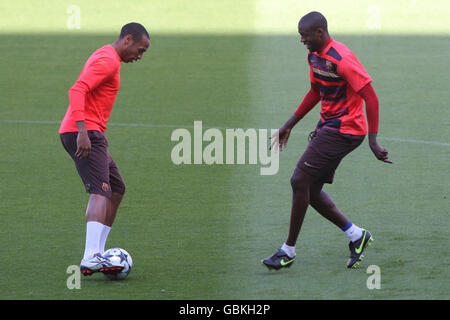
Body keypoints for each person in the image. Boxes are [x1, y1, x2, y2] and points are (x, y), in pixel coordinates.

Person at [262, 12, 392, 270]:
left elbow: (371, 96)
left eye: (305, 35)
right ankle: (357, 235)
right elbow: (315, 92)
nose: (302, 40)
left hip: (346, 129)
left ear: (320, 32)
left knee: (299, 180)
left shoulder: (342, 58)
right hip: (329, 127)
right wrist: (289, 124)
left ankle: (287, 251)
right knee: (309, 190)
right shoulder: (314, 56)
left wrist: (374, 140)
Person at [59, 22, 150, 275]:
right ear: (128, 39)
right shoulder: (108, 60)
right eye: (140, 50)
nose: (139, 57)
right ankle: (91, 257)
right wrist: (84, 132)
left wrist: (95, 130)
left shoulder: (107, 56)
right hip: (83, 133)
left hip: (92, 132)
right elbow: (77, 89)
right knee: (100, 191)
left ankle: (96, 254)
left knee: (116, 188)